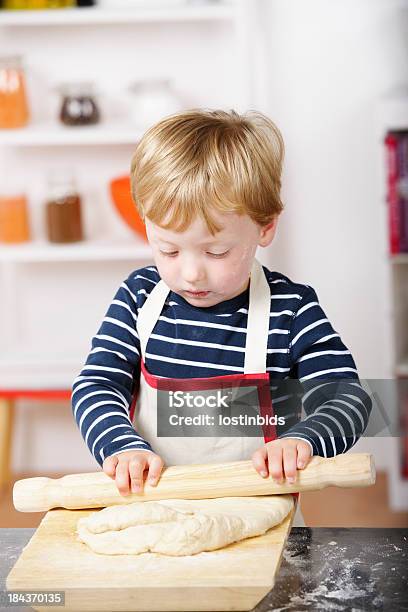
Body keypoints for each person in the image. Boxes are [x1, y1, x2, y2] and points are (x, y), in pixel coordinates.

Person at [71, 109, 371, 527]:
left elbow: (348, 399)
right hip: (153, 516)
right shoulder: (139, 299)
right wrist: (120, 446)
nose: (191, 273)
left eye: (216, 252)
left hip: (262, 525)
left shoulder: (291, 310)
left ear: (265, 228)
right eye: (169, 250)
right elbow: (96, 385)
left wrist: (303, 440)